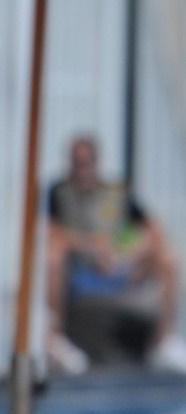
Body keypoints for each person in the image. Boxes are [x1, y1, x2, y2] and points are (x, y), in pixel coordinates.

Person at [46, 135, 186, 374]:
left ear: (96, 163)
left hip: (119, 266)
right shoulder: (59, 192)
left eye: (87, 163)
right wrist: (91, 246)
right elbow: (50, 230)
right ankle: (54, 340)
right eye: (77, 164)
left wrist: (124, 252)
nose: (82, 171)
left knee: (168, 258)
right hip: (81, 269)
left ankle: (164, 341)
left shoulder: (115, 192)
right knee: (53, 255)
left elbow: (151, 228)